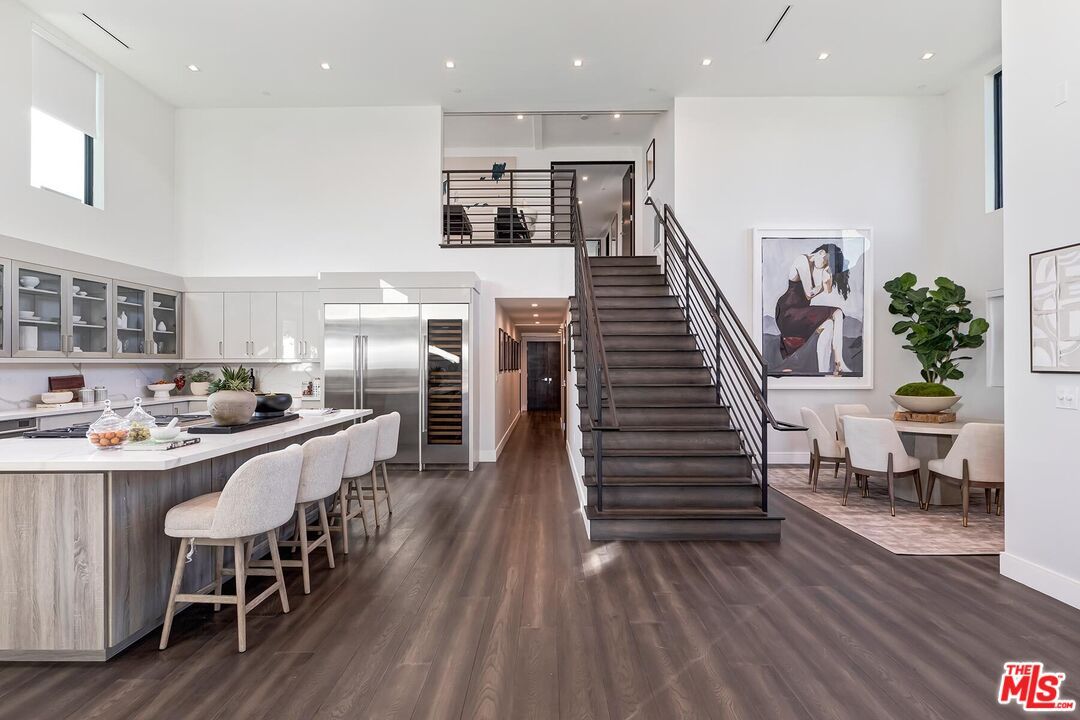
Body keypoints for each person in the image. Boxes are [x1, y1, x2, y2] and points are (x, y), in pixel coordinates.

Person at [773, 243, 853, 375]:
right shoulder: (802, 260)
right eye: (826, 262)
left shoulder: (819, 268)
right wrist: (822, 284)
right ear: (821, 253)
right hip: (788, 311)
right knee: (837, 312)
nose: (826, 266)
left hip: (800, 312)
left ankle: (824, 371)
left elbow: (826, 290)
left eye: (829, 265)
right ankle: (839, 363)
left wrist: (828, 278)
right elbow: (809, 293)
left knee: (829, 325)